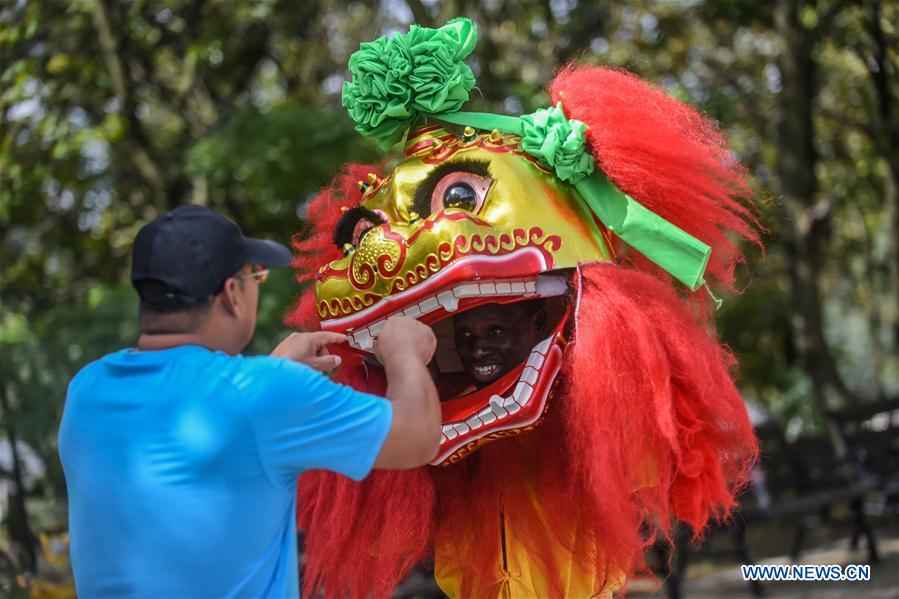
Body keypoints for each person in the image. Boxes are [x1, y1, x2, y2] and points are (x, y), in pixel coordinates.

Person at [58, 205, 440, 598]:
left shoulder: (87, 390)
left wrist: (273, 373)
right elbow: (416, 436)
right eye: (255, 276)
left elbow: (211, 443)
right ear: (231, 294)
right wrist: (403, 351)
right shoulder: (265, 393)